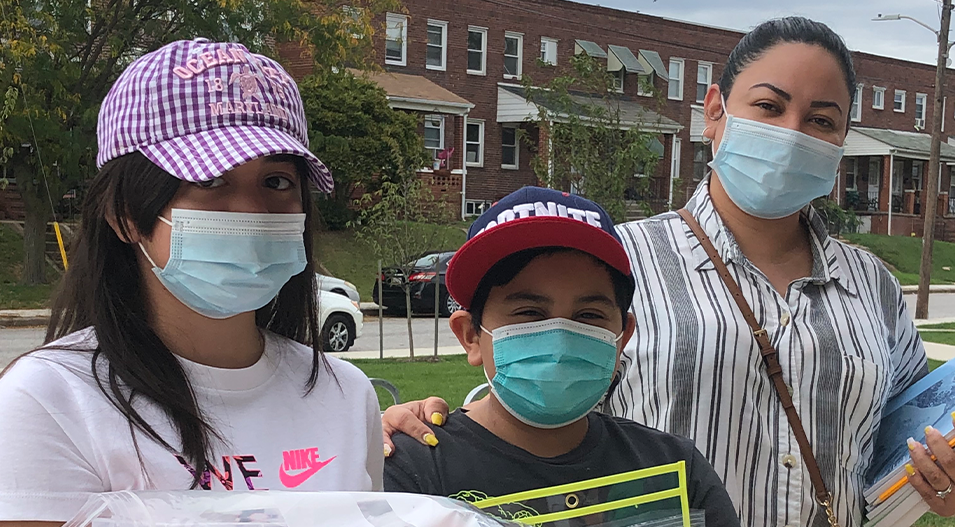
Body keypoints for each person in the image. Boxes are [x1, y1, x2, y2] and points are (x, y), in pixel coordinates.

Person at [380, 17, 954, 526]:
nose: (791, 133)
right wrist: (425, 423)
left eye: (821, 120)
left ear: (842, 141)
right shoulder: (618, 260)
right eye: (769, 107)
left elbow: (905, 438)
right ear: (713, 112)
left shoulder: (872, 285)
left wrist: (943, 473)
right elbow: (538, 396)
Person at [0, 39, 382, 525]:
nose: (252, 212)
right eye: (209, 179)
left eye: (278, 182)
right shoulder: (47, 400)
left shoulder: (345, 393)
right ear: (123, 214)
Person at [383, 187, 740, 526]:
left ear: (621, 338)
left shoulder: (674, 467)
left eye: (588, 316)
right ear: (471, 336)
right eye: (529, 313)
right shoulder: (411, 471)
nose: (561, 339)